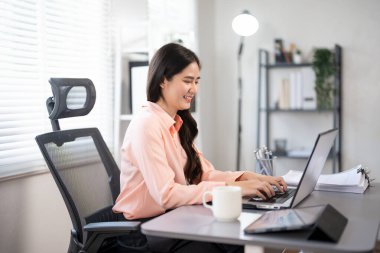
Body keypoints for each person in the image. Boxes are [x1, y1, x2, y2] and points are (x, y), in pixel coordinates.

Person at [113, 43, 287, 253]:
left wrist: (248, 178)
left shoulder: (177, 122)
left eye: (196, 81)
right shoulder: (146, 124)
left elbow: (202, 174)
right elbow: (166, 195)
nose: (193, 89)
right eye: (187, 81)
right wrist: (234, 190)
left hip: (171, 219)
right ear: (162, 80)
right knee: (231, 243)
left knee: (237, 236)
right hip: (143, 232)